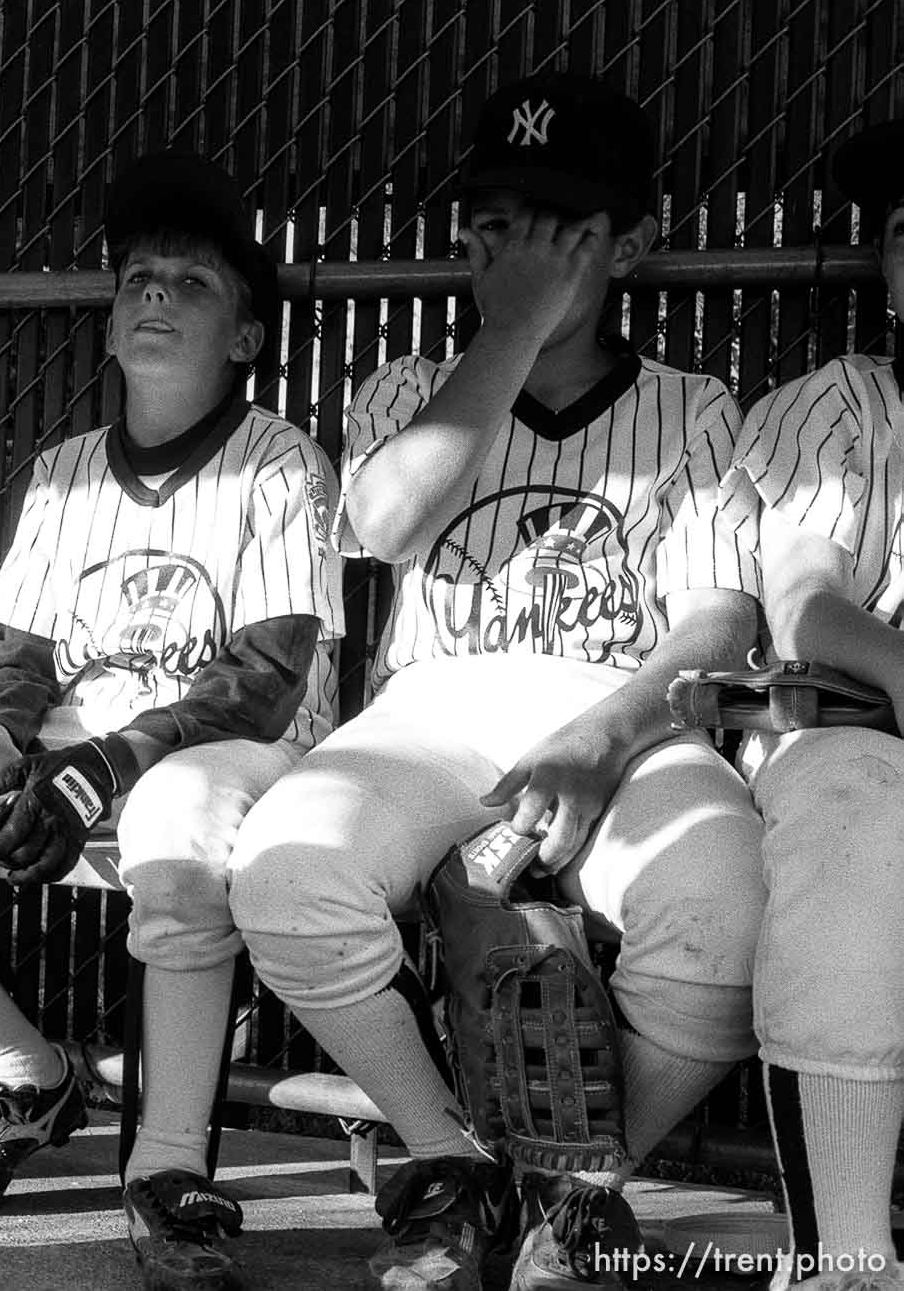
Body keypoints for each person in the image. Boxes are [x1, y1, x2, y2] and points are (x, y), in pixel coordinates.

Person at [226, 73, 766, 1290]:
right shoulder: (408, 388)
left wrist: (598, 734)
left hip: (621, 709)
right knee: (286, 871)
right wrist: (513, 326)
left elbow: (721, 622)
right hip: (434, 705)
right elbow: (385, 521)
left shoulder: (693, 406)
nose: (509, 246)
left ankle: (571, 1190)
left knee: (727, 912)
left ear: (626, 244)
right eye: (491, 222)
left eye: (554, 227)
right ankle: (446, 1165)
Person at [0, 150, 345, 1291]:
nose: (153, 295)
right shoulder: (62, 470)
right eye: (137, 280)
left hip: (227, 757)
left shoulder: (279, 463)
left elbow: (263, 673)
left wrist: (107, 762)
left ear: (246, 338)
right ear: (110, 325)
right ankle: (22, 1069)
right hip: (73, 754)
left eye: (190, 284)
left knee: (173, 835)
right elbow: (13, 653)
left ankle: (165, 1170)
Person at [721, 118, 904, 1291]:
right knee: (851, 821)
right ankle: (845, 1259)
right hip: (859, 731)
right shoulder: (844, 406)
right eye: (902, 232)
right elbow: (803, 602)